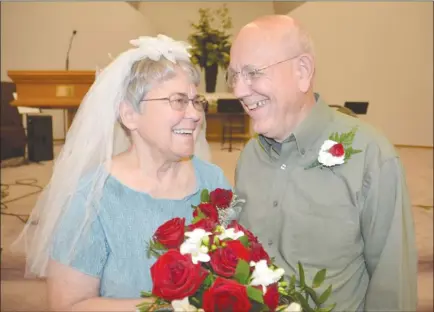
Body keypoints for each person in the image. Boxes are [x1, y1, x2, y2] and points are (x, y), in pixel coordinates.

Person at [11, 34, 231, 311]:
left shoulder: (213, 181)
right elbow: (69, 306)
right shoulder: (93, 197)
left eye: (196, 100)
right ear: (129, 114)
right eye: (178, 100)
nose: (195, 114)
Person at [229, 15, 418, 311]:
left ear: (302, 70)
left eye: (252, 72)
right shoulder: (249, 157)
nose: (239, 90)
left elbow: (392, 285)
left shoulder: (371, 156)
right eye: (234, 76)